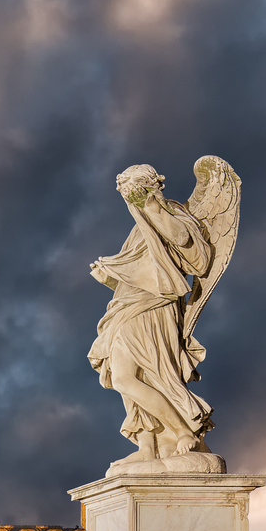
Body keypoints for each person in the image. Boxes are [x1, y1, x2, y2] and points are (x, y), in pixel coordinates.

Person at [88, 164, 216, 464]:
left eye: (131, 188)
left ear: (149, 185)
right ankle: (148, 446)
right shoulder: (137, 225)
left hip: (155, 305)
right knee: (132, 375)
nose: (126, 195)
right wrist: (109, 277)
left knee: (136, 374)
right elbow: (142, 269)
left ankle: (184, 431)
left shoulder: (169, 211)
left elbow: (186, 244)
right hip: (128, 303)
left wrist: (153, 208)